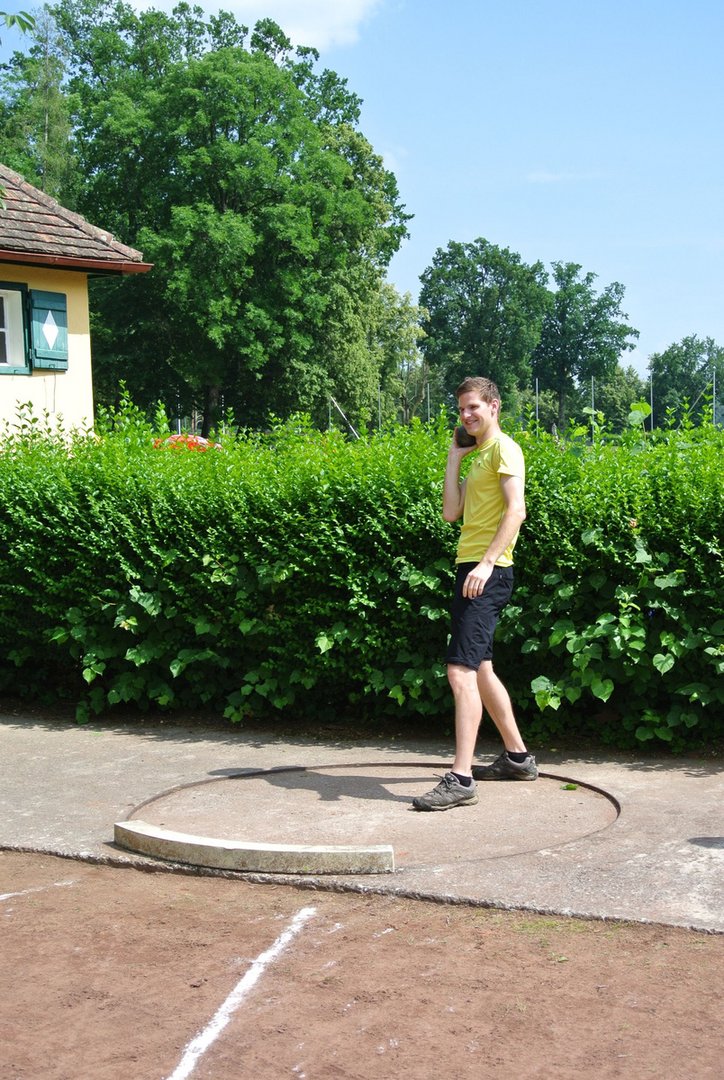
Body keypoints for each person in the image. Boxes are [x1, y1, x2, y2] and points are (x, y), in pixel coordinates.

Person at [412, 376, 537, 811]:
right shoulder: (480, 454)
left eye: (473, 408)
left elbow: (516, 511)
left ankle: (461, 779)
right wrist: (454, 457)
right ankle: (518, 758)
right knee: (480, 667)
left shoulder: (505, 449)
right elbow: (451, 512)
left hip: (489, 570)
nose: (466, 415)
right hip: (472, 567)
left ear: (494, 407)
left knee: (459, 671)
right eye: (461, 409)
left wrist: (486, 564)